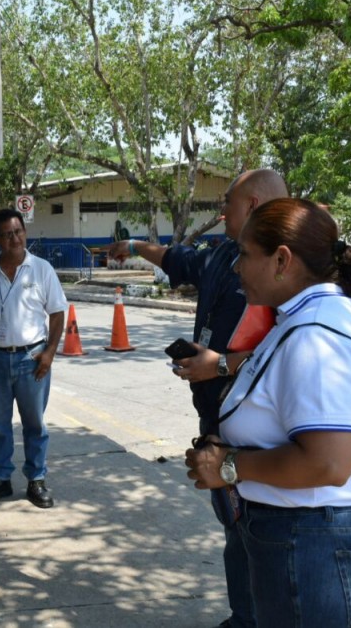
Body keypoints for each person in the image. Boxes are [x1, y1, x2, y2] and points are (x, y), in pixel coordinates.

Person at [185, 198, 351, 627]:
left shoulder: (316, 336)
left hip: (320, 546)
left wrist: (229, 465)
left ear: (281, 260)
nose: (236, 268)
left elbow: (328, 462)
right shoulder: (303, 320)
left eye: (245, 255)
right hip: (313, 539)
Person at [107, 168, 288, 628]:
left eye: (228, 202)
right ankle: (243, 616)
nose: (221, 211)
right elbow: (177, 259)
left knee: (264, 537)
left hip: (262, 435)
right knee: (236, 532)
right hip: (219, 424)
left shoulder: (285, 269)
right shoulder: (226, 254)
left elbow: (293, 352)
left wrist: (221, 365)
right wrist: (133, 248)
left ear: (251, 206)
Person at [0, 208, 68, 509]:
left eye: (18, 232)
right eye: (7, 234)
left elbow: (58, 312)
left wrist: (49, 353)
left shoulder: (42, 269)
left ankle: (36, 480)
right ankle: (1, 480)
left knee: (35, 424)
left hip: (31, 359)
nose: (15, 239)